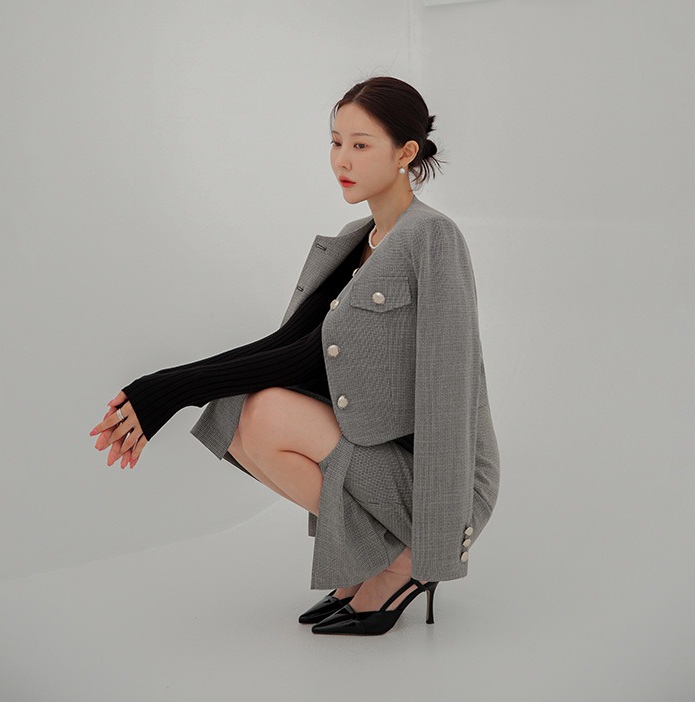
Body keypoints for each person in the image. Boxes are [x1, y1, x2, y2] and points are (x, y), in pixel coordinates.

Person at [89, 76, 500, 636]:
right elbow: (288, 350)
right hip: (383, 455)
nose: (342, 160)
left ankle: (402, 563)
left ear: (405, 153)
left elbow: (448, 395)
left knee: (268, 412)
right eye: (336, 142)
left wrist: (441, 542)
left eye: (361, 144)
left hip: (440, 480)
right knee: (236, 412)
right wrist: (163, 391)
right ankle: (368, 561)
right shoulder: (357, 238)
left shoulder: (432, 237)